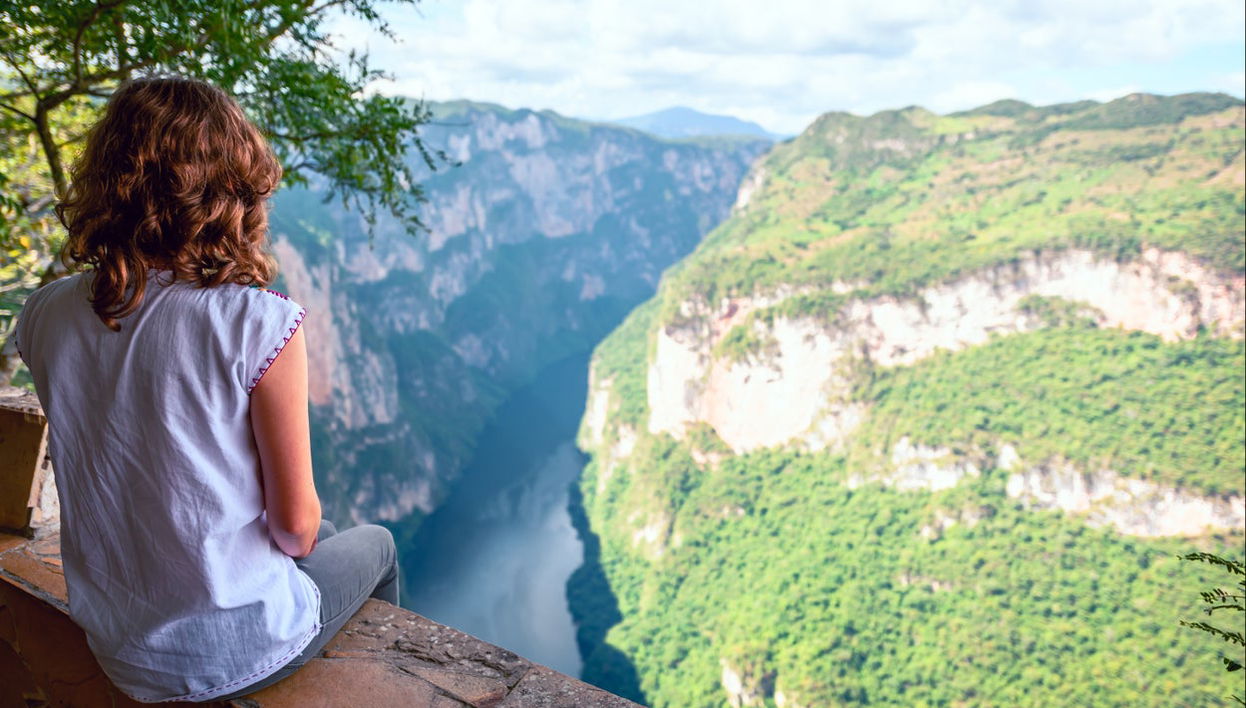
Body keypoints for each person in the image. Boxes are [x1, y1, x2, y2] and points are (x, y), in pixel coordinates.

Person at [12, 76, 399, 703]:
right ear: (231, 191)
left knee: (326, 539)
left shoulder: (45, 312)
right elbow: (294, 530)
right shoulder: (258, 322)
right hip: (232, 650)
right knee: (375, 544)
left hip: (118, 644)